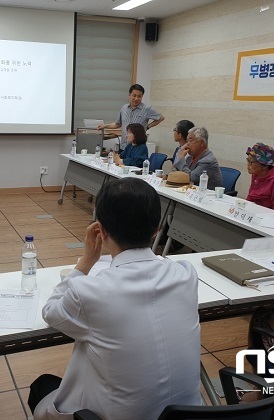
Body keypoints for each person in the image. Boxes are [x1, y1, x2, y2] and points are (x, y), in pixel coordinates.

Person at [29, 178, 201, 420]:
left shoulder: (89, 291)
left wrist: (86, 261)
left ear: (102, 230)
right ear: (157, 229)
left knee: (42, 387)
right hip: (190, 414)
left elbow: (51, 313)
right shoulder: (186, 274)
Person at [97, 84, 164, 151]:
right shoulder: (124, 108)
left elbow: (161, 118)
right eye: (134, 95)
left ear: (142, 96)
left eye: (139, 96)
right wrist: (104, 126)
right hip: (124, 146)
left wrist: (147, 127)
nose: (136, 98)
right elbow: (117, 124)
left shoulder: (146, 109)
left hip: (137, 148)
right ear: (129, 95)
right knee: (119, 161)